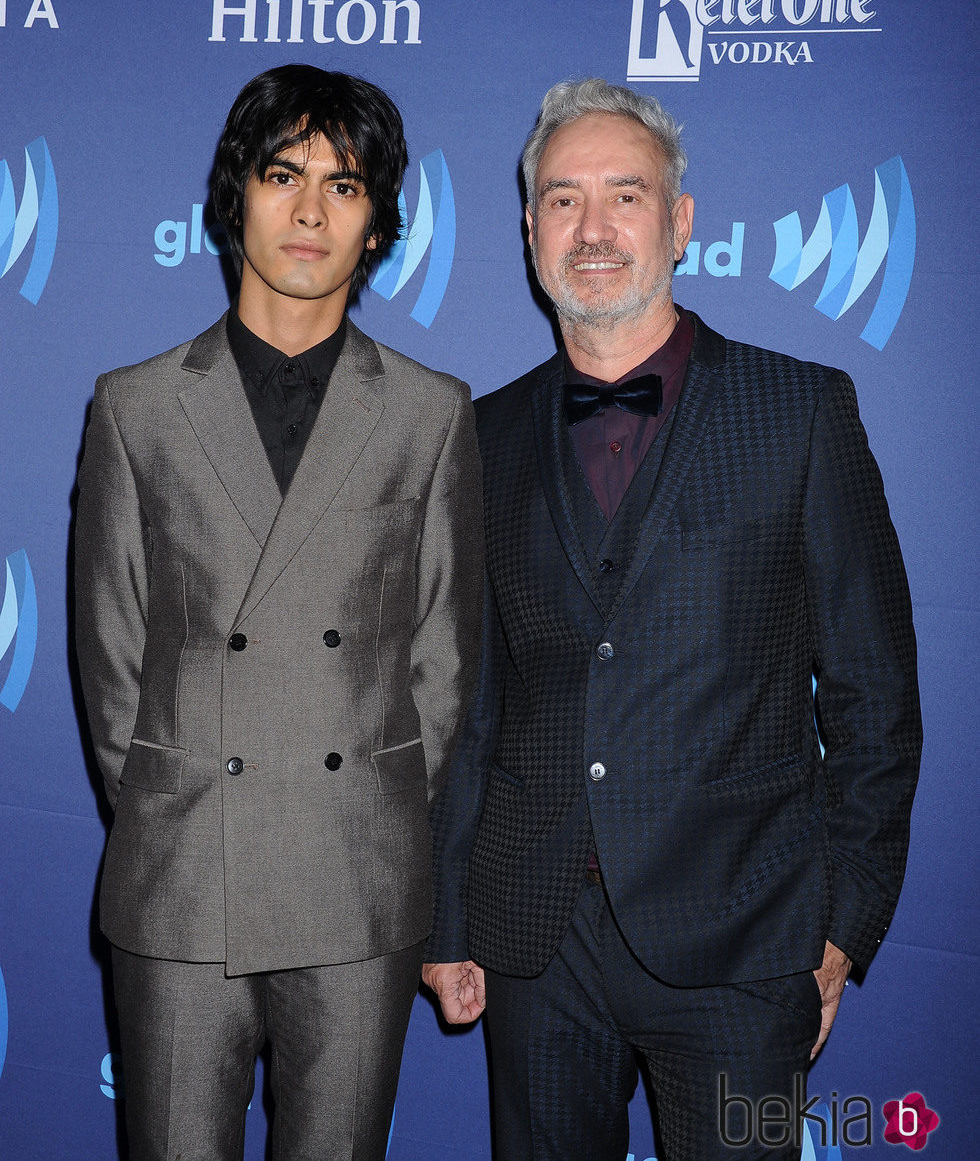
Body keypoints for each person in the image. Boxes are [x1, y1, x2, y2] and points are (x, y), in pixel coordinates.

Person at [423, 78, 921, 1159]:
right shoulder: (477, 433)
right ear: (526, 230)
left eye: (624, 195)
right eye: (561, 200)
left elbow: (872, 694)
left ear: (680, 221)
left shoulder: (799, 411)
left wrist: (840, 927)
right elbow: (466, 699)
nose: (591, 229)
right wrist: (448, 915)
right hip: (533, 937)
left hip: (745, 940)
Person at [74, 64, 482, 1160]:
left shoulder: (431, 413)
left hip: (356, 886)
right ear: (233, 196)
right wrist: (180, 797)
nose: (309, 211)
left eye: (345, 186)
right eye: (282, 173)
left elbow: (442, 666)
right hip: (180, 882)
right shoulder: (138, 405)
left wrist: (371, 819)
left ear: (377, 224)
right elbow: (111, 660)